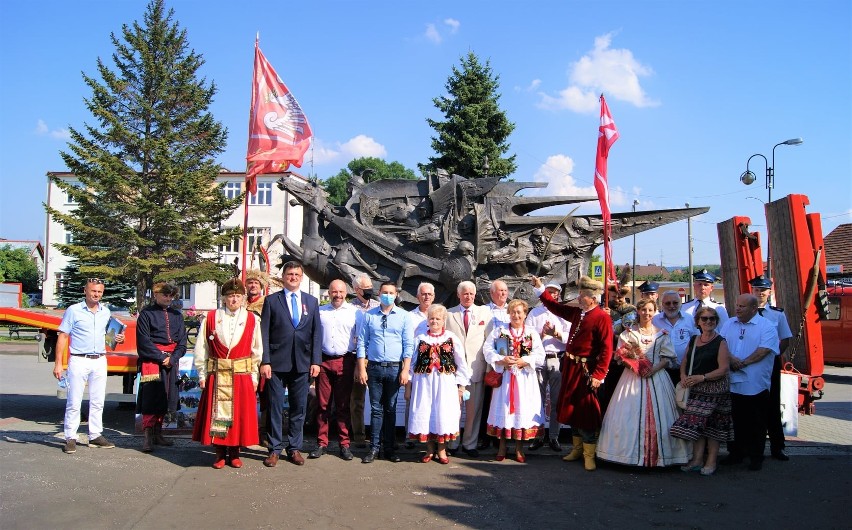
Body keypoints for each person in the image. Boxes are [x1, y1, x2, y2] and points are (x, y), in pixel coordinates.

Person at [596, 299, 691, 467]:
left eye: (650, 310)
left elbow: (666, 358)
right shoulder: (628, 333)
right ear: (638, 311)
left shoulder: (662, 333)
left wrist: (653, 370)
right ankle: (626, 456)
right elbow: (620, 357)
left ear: (655, 312)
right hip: (632, 378)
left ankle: (662, 457)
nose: (646, 313)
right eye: (643, 310)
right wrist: (634, 367)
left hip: (657, 377)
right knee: (626, 416)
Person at [532, 275, 613, 471]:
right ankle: (577, 449)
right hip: (571, 367)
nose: (579, 297)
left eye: (583, 294)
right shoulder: (579, 313)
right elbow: (555, 307)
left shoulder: (602, 318)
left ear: (592, 298)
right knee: (571, 408)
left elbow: (606, 349)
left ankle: (588, 454)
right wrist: (540, 288)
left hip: (586, 371)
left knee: (586, 411)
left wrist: (598, 375)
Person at [192, 279, 262, 468]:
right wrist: (201, 374)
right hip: (218, 374)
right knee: (217, 414)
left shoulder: (252, 319)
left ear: (243, 298)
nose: (234, 300)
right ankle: (220, 453)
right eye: (230, 296)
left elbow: (257, 350)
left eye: (238, 296)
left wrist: (254, 376)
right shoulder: (212, 317)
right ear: (224, 298)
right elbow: (202, 347)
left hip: (241, 374)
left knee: (239, 415)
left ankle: (235, 452)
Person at [260, 261, 323, 467]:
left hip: (302, 364)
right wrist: (265, 361)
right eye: (289, 274)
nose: (293, 277)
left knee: (299, 408)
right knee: (275, 407)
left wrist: (315, 361)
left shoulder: (311, 302)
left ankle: (294, 448)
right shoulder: (271, 301)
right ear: (283, 277)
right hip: (276, 363)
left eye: (296, 274)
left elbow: (316, 334)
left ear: (301, 277)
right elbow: (265, 333)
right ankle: (274, 449)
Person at [53, 278, 124, 453]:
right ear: (85, 291)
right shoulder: (74, 311)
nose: (96, 295)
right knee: (74, 400)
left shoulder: (105, 312)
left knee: (98, 400)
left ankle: (95, 435)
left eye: (99, 292)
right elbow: (62, 337)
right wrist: (58, 364)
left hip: (100, 359)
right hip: (79, 359)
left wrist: (118, 339)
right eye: (93, 291)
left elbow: (108, 338)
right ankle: (71, 436)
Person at [718, 294, 779, 471]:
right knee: (735, 421)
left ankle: (756, 457)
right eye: (737, 305)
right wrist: (732, 359)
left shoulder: (766, 326)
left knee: (756, 422)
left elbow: (764, 351)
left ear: (753, 309)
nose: (737, 309)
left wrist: (742, 363)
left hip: (755, 384)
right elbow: (721, 345)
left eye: (742, 306)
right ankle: (735, 453)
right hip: (732, 382)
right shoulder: (729, 323)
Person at [670, 306, 733, 476]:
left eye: (712, 318)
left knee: (713, 427)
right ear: (698, 322)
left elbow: (723, 369)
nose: (708, 322)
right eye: (704, 319)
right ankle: (697, 459)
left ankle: (711, 461)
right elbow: (684, 361)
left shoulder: (721, 341)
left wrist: (703, 377)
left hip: (715, 389)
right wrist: (683, 375)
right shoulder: (693, 339)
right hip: (696, 388)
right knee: (697, 426)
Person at [357, 281, 414, 463]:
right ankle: (374, 448)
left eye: (391, 292)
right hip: (374, 367)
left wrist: (405, 370)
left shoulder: (404, 316)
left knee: (390, 409)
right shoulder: (369, 316)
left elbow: (408, 345)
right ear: (379, 294)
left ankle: (389, 448)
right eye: (384, 292)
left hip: (395, 368)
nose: (387, 295)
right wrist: (361, 368)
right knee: (375, 409)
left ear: (396, 295)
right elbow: (361, 342)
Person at [407, 304, 471, 464]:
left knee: (442, 414)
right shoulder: (420, 339)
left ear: (444, 320)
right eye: (432, 318)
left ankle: (442, 450)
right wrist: (408, 385)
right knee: (427, 413)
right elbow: (412, 363)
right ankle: (429, 450)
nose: (434, 321)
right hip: (424, 384)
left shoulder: (451, 338)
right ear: (427, 321)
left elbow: (461, 363)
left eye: (438, 318)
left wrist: (461, 387)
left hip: (445, 383)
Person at [483, 299, 545, 463]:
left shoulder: (531, 333)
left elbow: (540, 355)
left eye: (519, 312)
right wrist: (501, 359)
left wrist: (526, 361)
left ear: (525, 314)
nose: (516, 315)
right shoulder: (500, 331)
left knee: (520, 411)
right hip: (505, 378)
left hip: (524, 380)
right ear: (508, 313)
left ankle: (519, 449)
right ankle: (502, 447)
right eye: (513, 312)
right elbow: (487, 349)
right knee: (504, 411)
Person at [135, 282, 187, 452]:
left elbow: (182, 343)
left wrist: (173, 358)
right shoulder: (146, 314)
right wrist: (161, 357)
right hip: (152, 361)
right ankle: (148, 436)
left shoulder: (177, 315)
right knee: (151, 399)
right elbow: (143, 341)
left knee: (167, 397)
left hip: (171, 362)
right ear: (156, 295)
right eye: (165, 295)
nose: (168, 298)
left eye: (171, 295)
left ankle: (158, 433)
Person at [445, 280, 494, 457]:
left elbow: (490, 342)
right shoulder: (449, 315)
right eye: (465, 293)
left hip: (476, 369)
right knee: (453, 410)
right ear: (458, 295)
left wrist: (489, 369)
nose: (468, 296)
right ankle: (452, 443)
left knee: (474, 411)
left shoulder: (485, 313)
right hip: (454, 372)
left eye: (471, 293)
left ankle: (469, 444)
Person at [310, 279, 358, 461]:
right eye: (334, 291)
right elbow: (314, 337)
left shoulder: (355, 313)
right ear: (328, 293)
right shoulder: (320, 312)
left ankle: (344, 444)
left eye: (341, 292)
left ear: (346, 293)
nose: (337, 295)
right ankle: (322, 442)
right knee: (322, 405)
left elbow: (359, 339)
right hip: (323, 361)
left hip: (345, 361)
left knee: (343, 405)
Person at [749, 274, 794, 461]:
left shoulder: (777, 314)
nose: (759, 293)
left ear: (769, 292)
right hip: (749, 363)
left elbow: (786, 338)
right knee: (749, 405)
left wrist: (774, 354)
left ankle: (777, 447)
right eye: (756, 290)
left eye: (763, 290)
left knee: (772, 404)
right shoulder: (744, 313)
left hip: (769, 363)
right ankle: (749, 448)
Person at [525, 282, 570, 452]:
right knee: (538, 400)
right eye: (548, 292)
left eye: (555, 293)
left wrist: (556, 334)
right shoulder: (535, 313)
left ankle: (554, 437)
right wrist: (540, 335)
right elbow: (527, 337)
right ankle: (538, 436)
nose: (552, 295)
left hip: (556, 358)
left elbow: (570, 336)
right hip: (538, 359)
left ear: (559, 295)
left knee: (556, 400)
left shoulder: (563, 313)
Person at [479, 279, 510, 449]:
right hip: (489, 361)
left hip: (508, 363)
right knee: (487, 399)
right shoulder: (484, 311)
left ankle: (500, 438)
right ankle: (485, 437)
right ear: (492, 293)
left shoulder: (512, 310)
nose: (503, 293)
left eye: (505, 290)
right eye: (500, 291)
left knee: (502, 399)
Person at [350, 274, 379, 448]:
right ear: (356, 290)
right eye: (365, 288)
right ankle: (359, 436)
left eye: (370, 286)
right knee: (357, 400)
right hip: (358, 357)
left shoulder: (377, 306)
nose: (369, 290)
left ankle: (378, 436)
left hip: (376, 357)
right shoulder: (350, 308)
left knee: (378, 400)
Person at [406, 281, 435, 448]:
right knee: (412, 400)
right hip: (416, 365)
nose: (426, 297)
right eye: (423, 294)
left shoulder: (440, 314)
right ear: (417, 296)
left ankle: (431, 435)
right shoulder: (410, 317)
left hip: (436, 367)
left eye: (429, 294)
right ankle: (411, 436)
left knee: (432, 403)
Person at [653, 290, 700, 386]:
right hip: (662, 370)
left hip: (685, 371)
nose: (671, 306)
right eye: (668, 303)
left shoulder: (689, 318)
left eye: (675, 303)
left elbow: (697, 341)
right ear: (662, 304)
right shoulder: (655, 320)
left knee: (682, 399)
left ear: (680, 304)